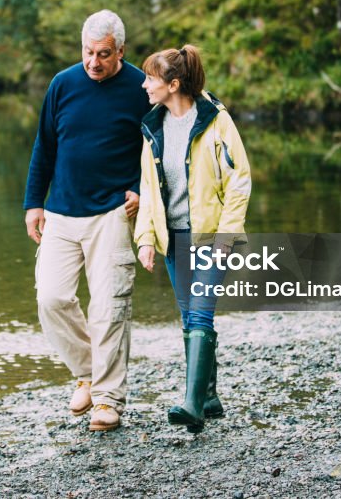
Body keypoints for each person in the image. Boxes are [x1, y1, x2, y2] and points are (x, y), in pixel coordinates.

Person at [23, 10, 154, 432]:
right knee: (52, 298)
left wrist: (140, 188)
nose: (94, 62)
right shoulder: (63, 84)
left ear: (121, 51)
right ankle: (87, 372)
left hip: (113, 212)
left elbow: (155, 147)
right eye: (88, 52)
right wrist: (33, 202)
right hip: (61, 211)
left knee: (109, 307)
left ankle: (108, 400)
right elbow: (44, 145)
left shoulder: (139, 87)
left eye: (103, 54)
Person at [134, 44, 251, 433]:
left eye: (151, 78)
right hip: (174, 237)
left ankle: (191, 406)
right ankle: (210, 396)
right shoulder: (153, 127)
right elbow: (149, 190)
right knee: (189, 317)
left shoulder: (216, 120)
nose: (145, 85)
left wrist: (226, 236)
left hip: (212, 236)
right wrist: (146, 238)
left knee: (200, 312)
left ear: (174, 83)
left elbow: (240, 181)